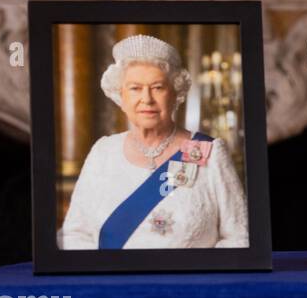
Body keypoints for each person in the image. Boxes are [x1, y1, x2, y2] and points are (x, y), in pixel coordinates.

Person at [58, 33, 249, 249]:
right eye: (135, 88)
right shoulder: (103, 152)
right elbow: (75, 235)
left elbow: (239, 237)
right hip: (113, 282)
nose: (146, 99)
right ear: (121, 96)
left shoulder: (209, 152)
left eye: (158, 87)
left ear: (175, 93)